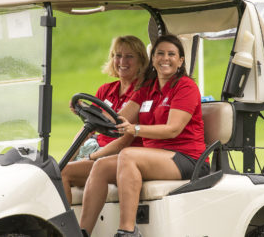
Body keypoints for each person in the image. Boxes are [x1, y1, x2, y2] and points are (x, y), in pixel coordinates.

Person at [79, 35, 210, 237]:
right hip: (155, 156)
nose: (165, 58)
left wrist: (136, 129)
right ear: (153, 58)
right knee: (101, 166)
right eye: (160, 53)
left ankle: (127, 231)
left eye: (171, 54)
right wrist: (88, 113)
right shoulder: (147, 89)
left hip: (187, 158)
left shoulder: (185, 87)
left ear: (180, 61)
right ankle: (82, 232)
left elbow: (173, 129)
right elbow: (118, 119)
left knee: (129, 155)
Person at [61, 35, 149, 206]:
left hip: (116, 157)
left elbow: (123, 141)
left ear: (141, 62)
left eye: (129, 56)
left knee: (63, 173)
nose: (122, 61)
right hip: (96, 149)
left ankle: (66, 228)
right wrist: (69, 156)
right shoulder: (106, 90)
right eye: (117, 55)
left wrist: (91, 157)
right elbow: (88, 128)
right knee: (55, 169)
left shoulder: (141, 93)